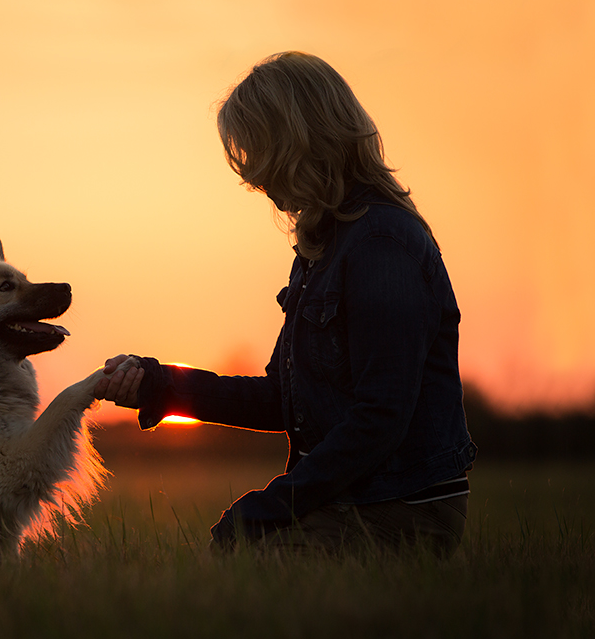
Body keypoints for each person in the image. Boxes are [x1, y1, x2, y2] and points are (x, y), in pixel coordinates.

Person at [94, 51, 477, 556]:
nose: (255, 178)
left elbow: (380, 418)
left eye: (258, 154)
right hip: (351, 502)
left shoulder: (383, 245)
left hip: (400, 511)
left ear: (298, 143)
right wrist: (161, 385)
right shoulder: (324, 247)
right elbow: (283, 397)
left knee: (239, 578)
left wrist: (272, 506)